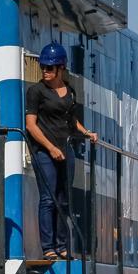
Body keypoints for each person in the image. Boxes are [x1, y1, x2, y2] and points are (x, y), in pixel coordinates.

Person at [25, 41, 96, 259]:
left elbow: (71, 119)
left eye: (49, 67)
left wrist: (86, 132)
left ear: (60, 68)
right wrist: (50, 147)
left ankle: (62, 245)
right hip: (44, 152)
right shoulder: (36, 91)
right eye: (43, 67)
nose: (45, 71)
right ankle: (48, 247)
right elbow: (31, 125)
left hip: (66, 150)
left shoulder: (70, 92)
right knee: (48, 199)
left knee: (64, 199)